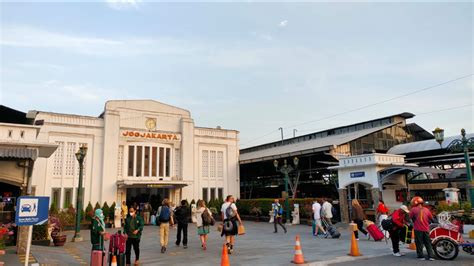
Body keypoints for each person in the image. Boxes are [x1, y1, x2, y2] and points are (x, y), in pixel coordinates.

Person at [409, 196, 435, 261]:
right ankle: (431, 256)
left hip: (418, 229)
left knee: (419, 243)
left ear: (415, 202)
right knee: (428, 243)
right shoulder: (427, 210)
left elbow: (409, 218)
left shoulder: (413, 209)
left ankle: (421, 256)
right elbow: (432, 219)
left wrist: (413, 222)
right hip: (426, 229)